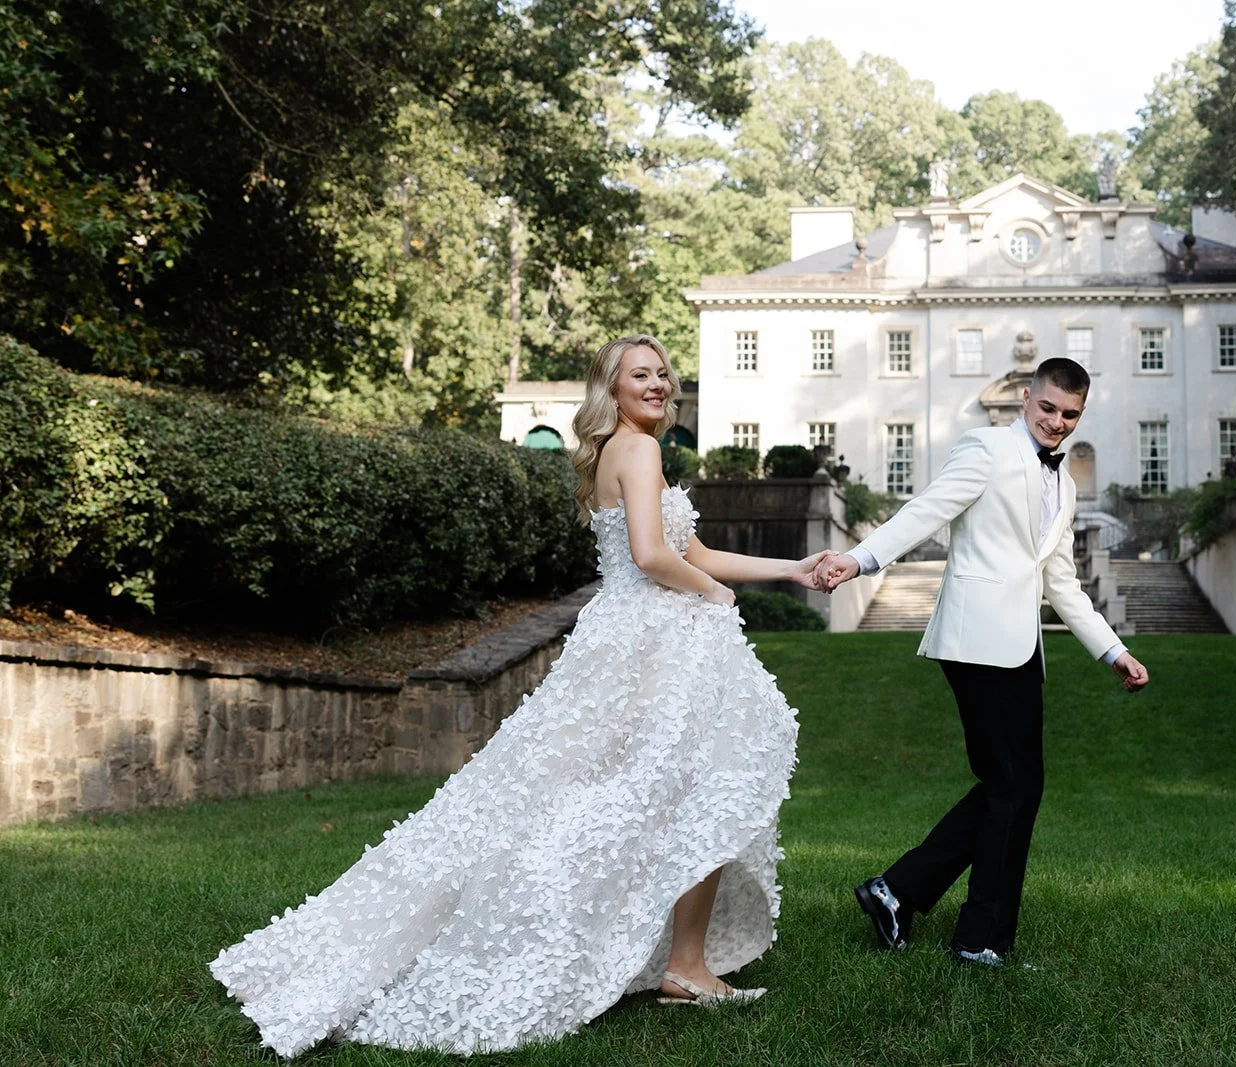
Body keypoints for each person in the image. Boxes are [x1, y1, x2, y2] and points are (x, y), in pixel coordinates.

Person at [211, 334, 831, 1055]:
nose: (658, 383)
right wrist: (714, 594)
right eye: (641, 374)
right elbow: (654, 557)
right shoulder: (639, 450)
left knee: (664, 788)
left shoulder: (620, 452)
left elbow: (687, 551)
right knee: (689, 786)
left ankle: (682, 962)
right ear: (612, 387)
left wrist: (793, 567)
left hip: (636, 637)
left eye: (663, 373)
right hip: (654, 639)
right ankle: (673, 961)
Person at [817, 356, 1149, 968]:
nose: (1056, 422)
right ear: (1027, 397)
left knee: (1013, 785)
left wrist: (1113, 649)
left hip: (1020, 644)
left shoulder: (1066, 485)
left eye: (1069, 415)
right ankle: (976, 937)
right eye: (1047, 407)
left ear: (1080, 415)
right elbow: (927, 511)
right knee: (1015, 784)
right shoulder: (987, 447)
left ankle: (902, 893)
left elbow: (1062, 581)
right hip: (974, 641)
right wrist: (860, 560)